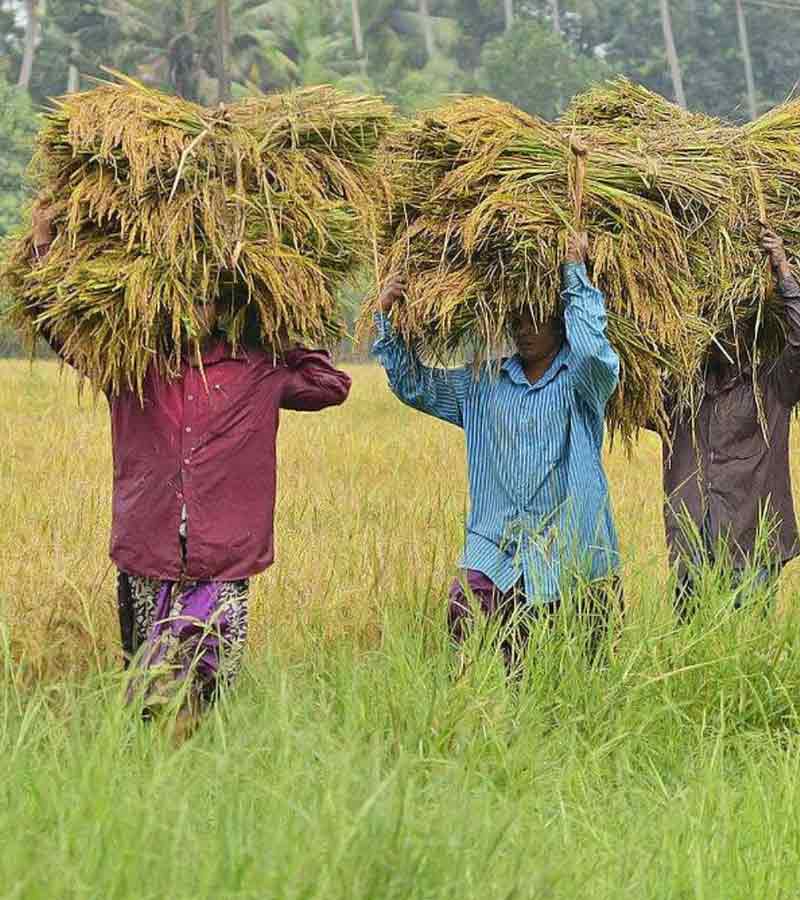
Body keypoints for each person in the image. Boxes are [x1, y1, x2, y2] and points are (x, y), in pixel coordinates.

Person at [29, 199, 352, 735]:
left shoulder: (257, 369)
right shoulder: (131, 363)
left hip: (223, 556)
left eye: (205, 299)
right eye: (184, 297)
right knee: (143, 688)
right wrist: (45, 248)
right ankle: (147, 776)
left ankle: (198, 773)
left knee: (210, 689)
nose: (194, 309)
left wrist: (286, 320)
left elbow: (330, 387)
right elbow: (62, 332)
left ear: (224, 306)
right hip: (147, 550)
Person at [373, 232, 622, 666]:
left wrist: (575, 276)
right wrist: (385, 316)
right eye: (517, 320)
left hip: (571, 548)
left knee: (578, 666)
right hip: (497, 544)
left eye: (536, 319)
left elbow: (591, 355)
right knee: (468, 618)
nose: (524, 330)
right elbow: (414, 385)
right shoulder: (482, 384)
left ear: (559, 322)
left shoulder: (584, 384)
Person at [658, 228, 800, 621]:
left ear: (749, 330)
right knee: (691, 654)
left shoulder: (772, 387)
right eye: (715, 325)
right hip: (692, 550)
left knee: (746, 652)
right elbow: (620, 379)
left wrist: (782, 270)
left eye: (733, 325)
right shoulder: (679, 398)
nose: (724, 335)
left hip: (751, 547)